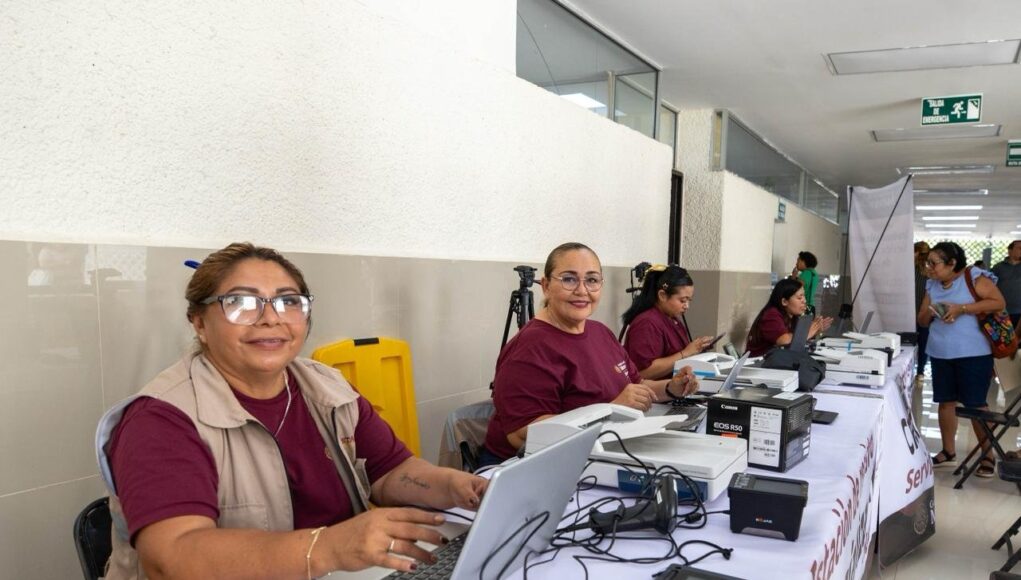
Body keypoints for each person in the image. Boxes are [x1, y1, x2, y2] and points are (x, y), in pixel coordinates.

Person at [97, 243, 488, 579]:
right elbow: (174, 558)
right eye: (240, 303)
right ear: (199, 322)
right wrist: (329, 547)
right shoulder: (160, 419)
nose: (271, 317)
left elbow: (391, 472)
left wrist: (453, 487)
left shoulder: (328, 387)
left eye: (289, 301)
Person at [481, 243, 699, 464]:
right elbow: (522, 435)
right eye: (569, 279)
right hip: (535, 467)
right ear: (546, 286)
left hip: (601, 450)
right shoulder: (530, 348)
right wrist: (611, 409)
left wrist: (672, 388)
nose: (582, 290)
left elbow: (636, 386)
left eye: (592, 280)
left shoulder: (600, 332)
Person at [917, 242, 1006, 477]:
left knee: (976, 405)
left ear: (952, 263)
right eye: (928, 263)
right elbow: (922, 320)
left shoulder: (974, 278)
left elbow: (998, 303)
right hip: (940, 353)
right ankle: (948, 451)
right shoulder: (932, 285)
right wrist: (931, 312)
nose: (929, 268)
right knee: (946, 402)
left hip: (974, 354)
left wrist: (962, 309)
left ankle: (987, 455)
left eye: (933, 263)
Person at [621, 265, 715, 380]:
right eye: (682, 300)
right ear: (662, 295)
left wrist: (697, 349)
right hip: (654, 394)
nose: (687, 306)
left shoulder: (672, 319)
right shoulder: (646, 324)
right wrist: (685, 353)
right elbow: (642, 372)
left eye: (689, 301)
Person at [746, 278, 833, 357]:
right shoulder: (771, 315)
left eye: (804, 296)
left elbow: (796, 343)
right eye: (799, 298)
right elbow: (784, 341)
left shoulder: (793, 316)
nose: (804, 301)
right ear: (784, 301)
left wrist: (816, 330)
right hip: (757, 365)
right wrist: (807, 333)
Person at [991, 239, 1021, 329]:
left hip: (1019, 312)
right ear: (1010, 251)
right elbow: (990, 285)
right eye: (1020, 248)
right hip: (1001, 311)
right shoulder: (998, 267)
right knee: (1003, 339)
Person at [914, 241, 932, 384]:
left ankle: (908, 369)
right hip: (924, 312)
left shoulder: (908, 270)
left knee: (906, 342)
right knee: (923, 343)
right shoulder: (930, 272)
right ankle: (920, 372)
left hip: (910, 311)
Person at [790, 251, 819, 315]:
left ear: (804, 262)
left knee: (800, 325)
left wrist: (793, 277)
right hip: (811, 306)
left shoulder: (806, 273)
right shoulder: (814, 273)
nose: (796, 263)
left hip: (804, 306)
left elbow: (795, 289)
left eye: (798, 261)